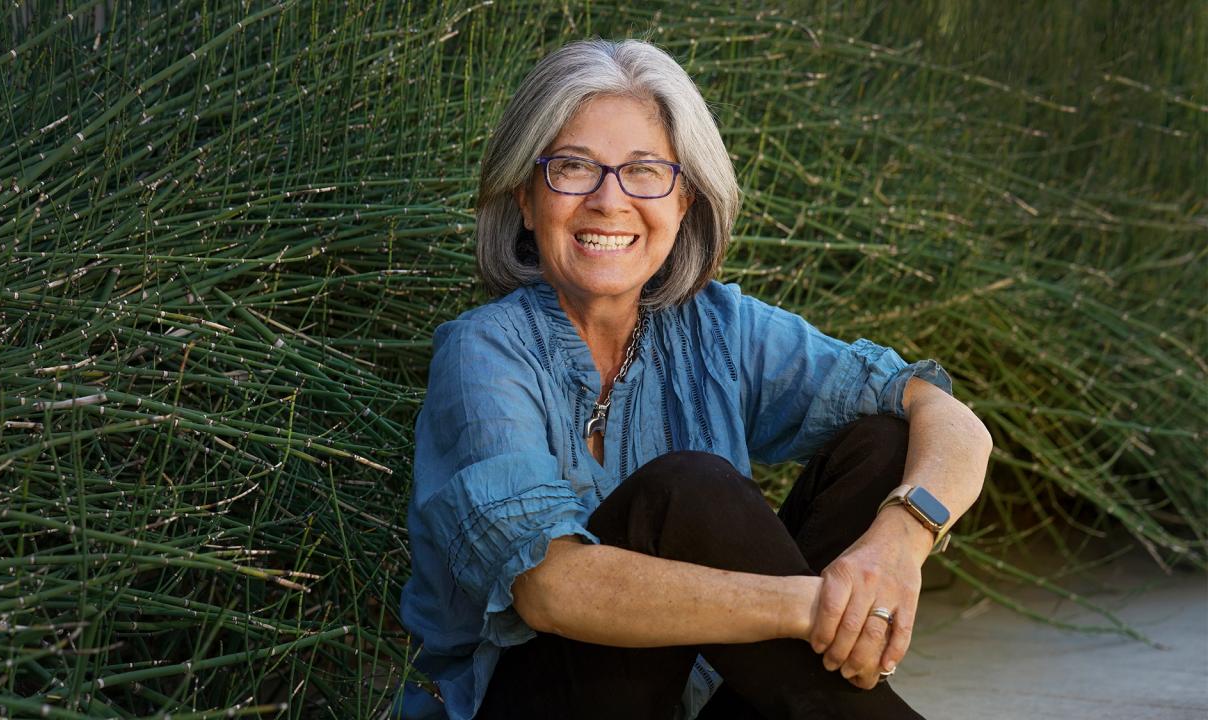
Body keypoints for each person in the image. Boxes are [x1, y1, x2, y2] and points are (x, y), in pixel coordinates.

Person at [395, 39, 991, 720]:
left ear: (683, 203)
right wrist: (817, 605)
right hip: (537, 705)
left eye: (644, 172)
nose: (609, 200)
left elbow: (943, 415)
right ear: (526, 199)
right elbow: (549, 589)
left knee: (886, 443)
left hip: (699, 701)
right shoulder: (484, 352)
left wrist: (899, 542)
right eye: (573, 168)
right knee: (685, 493)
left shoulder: (715, 327)